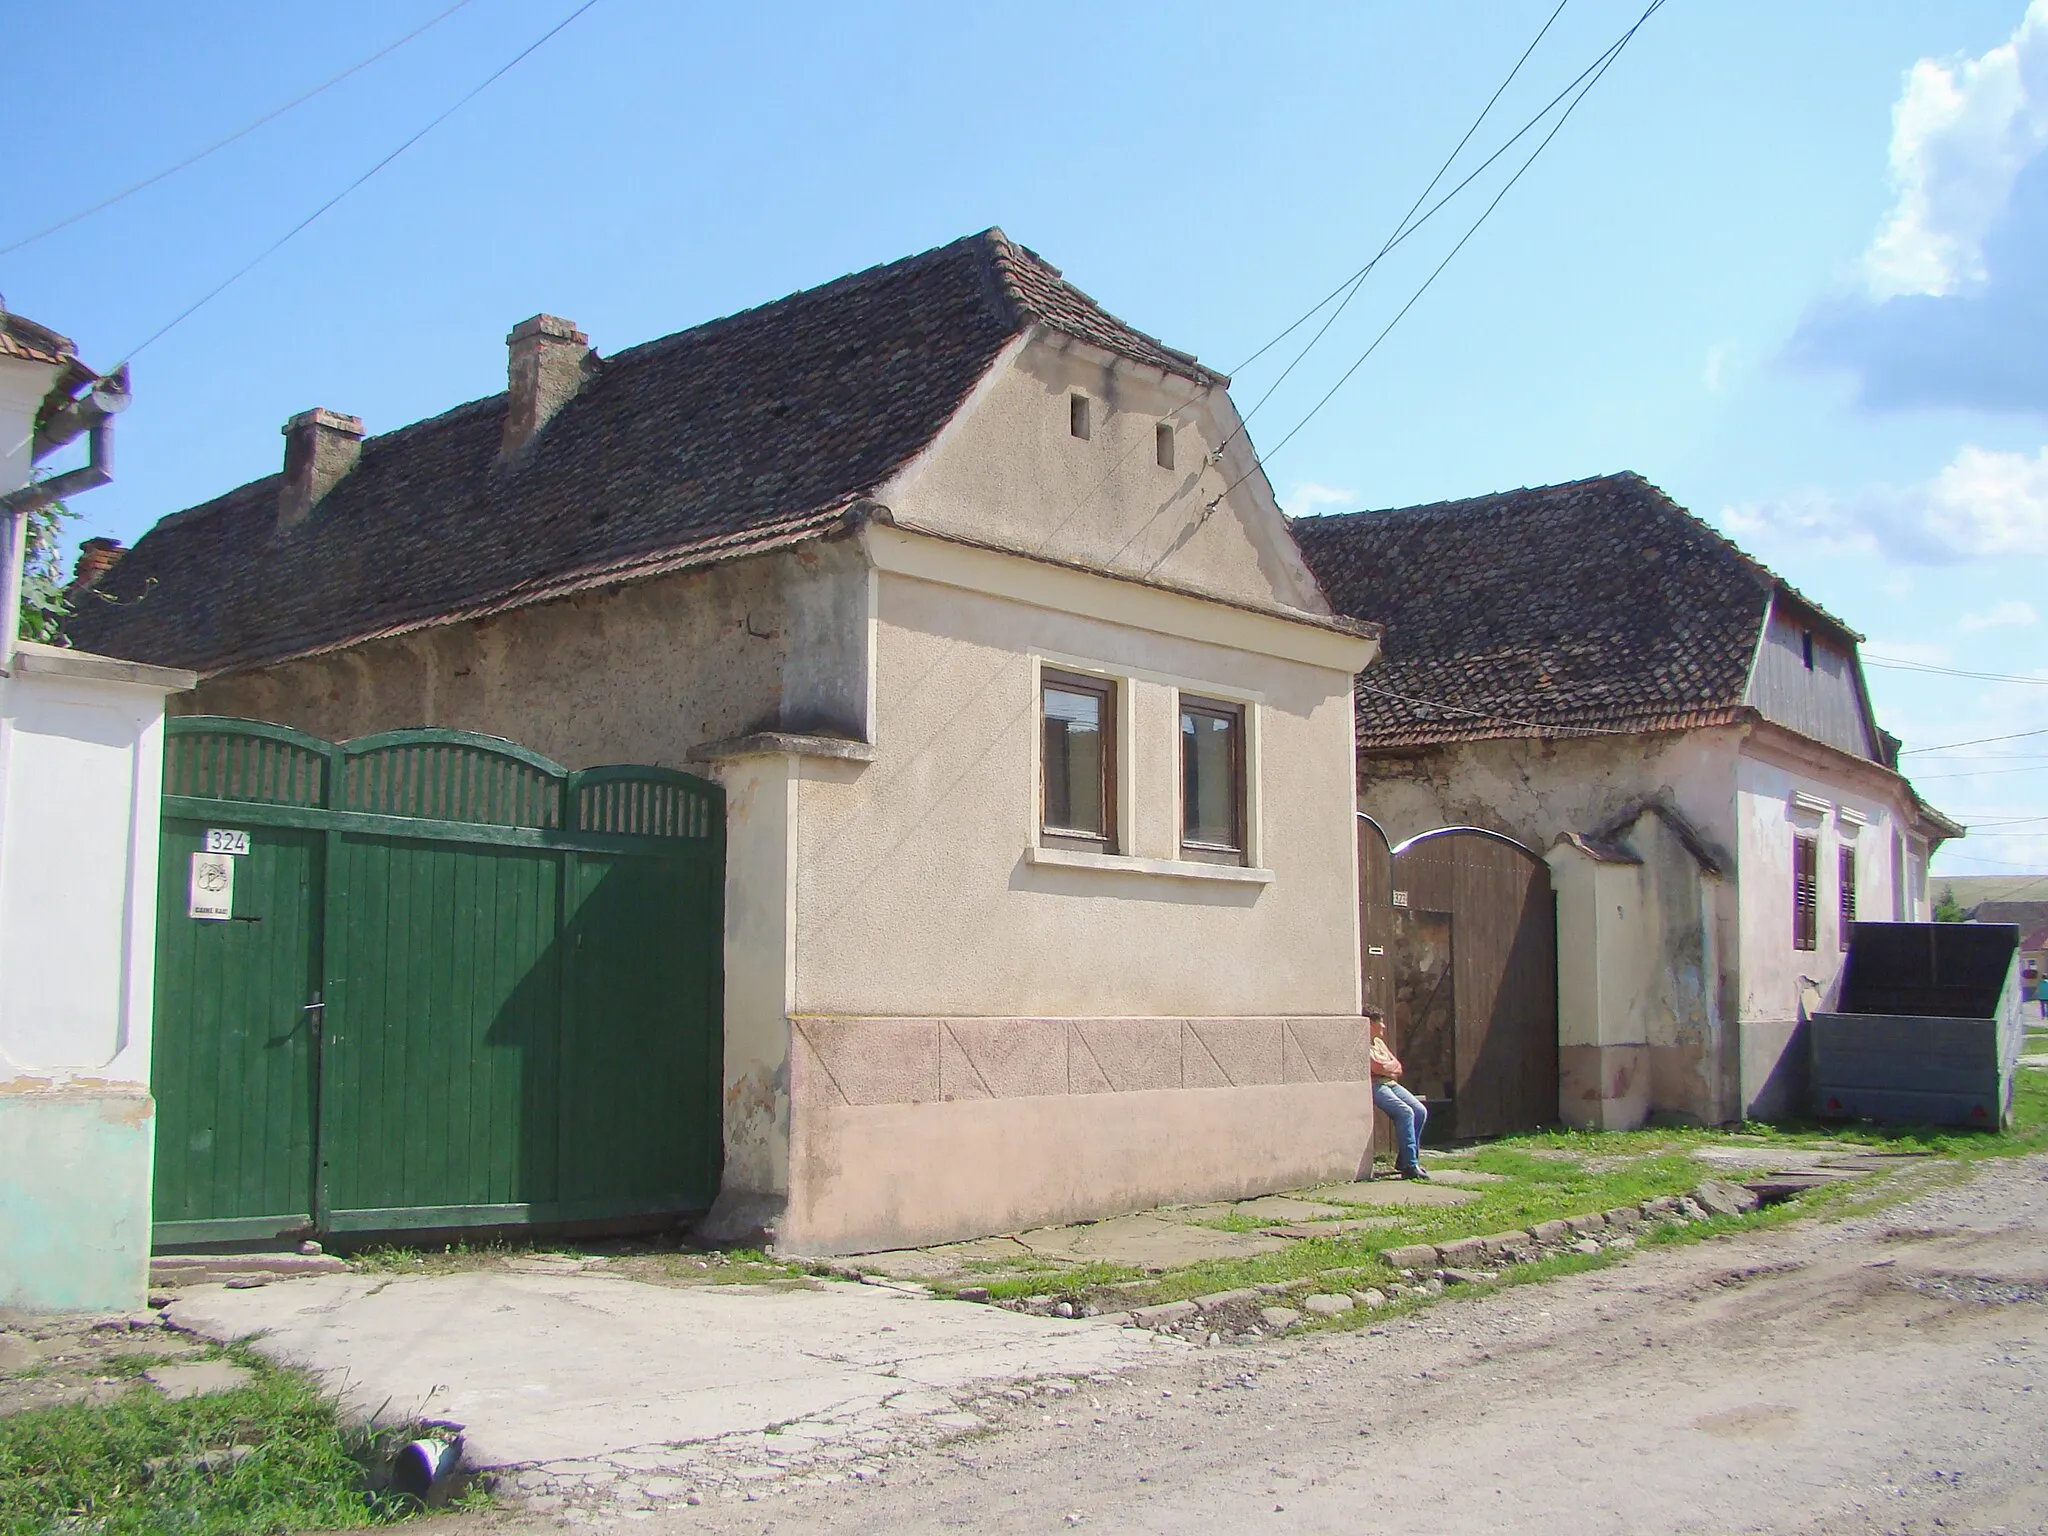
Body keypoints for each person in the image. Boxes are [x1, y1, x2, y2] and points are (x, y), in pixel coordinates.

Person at [1369, 1013, 1430, 1179]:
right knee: (1405, 1112)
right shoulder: (1363, 1043)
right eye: (1379, 1023)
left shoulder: (1378, 1043)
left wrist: (1387, 1068)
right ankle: (1411, 1166)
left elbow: (1398, 1066)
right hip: (1375, 1085)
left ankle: (1405, 1159)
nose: (1383, 1026)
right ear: (1370, 1025)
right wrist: (1388, 1068)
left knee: (1419, 1111)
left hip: (1390, 1083)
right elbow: (1376, 1068)